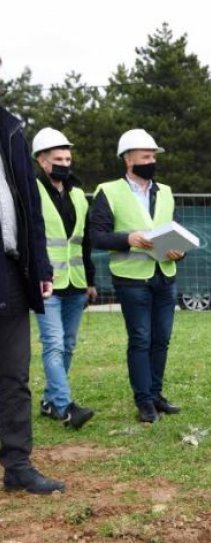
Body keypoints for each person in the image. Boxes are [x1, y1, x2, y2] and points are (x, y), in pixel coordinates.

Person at [89, 129, 184, 424]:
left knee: (161, 339)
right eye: (146, 156)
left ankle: (156, 395)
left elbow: (173, 230)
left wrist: (179, 251)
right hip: (131, 278)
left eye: (153, 155)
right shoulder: (109, 191)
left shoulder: (165, 192)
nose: (152, 160)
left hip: (164, 274)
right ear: (128, 159)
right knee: (141, 339)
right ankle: (143, 401)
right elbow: (97, 236)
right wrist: (128, 238)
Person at [0, 84, 66, 494]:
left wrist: (39, 264)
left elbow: (29, 204)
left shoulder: (11, 131)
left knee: (13, 374)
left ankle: (18, 464)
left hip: (8, 269)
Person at [31, 128, 97, 429]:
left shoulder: (77, 195)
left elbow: (84, 242)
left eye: (68, 158)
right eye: (58, 158)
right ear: (42, 161)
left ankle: (48, 400)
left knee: (68, 344)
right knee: (54, 344)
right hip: (46, 285)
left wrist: (90, 281)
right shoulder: (30, 191)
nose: (65, 163)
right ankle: (65, 407)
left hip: (75, 283)